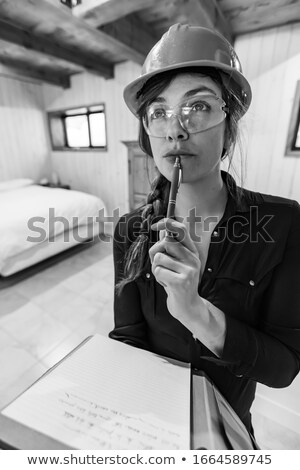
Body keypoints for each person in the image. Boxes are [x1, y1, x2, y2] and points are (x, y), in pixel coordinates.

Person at [109, 24, 300, 438]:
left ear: (228, 129)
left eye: (198, 106)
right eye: (158, 112)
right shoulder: (130, 230)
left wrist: (196, 313)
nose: (176, 128)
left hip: (226, 426)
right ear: (148, 135)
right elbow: (127, 338)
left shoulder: (285, 223)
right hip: (150, 422)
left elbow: (283, 367)